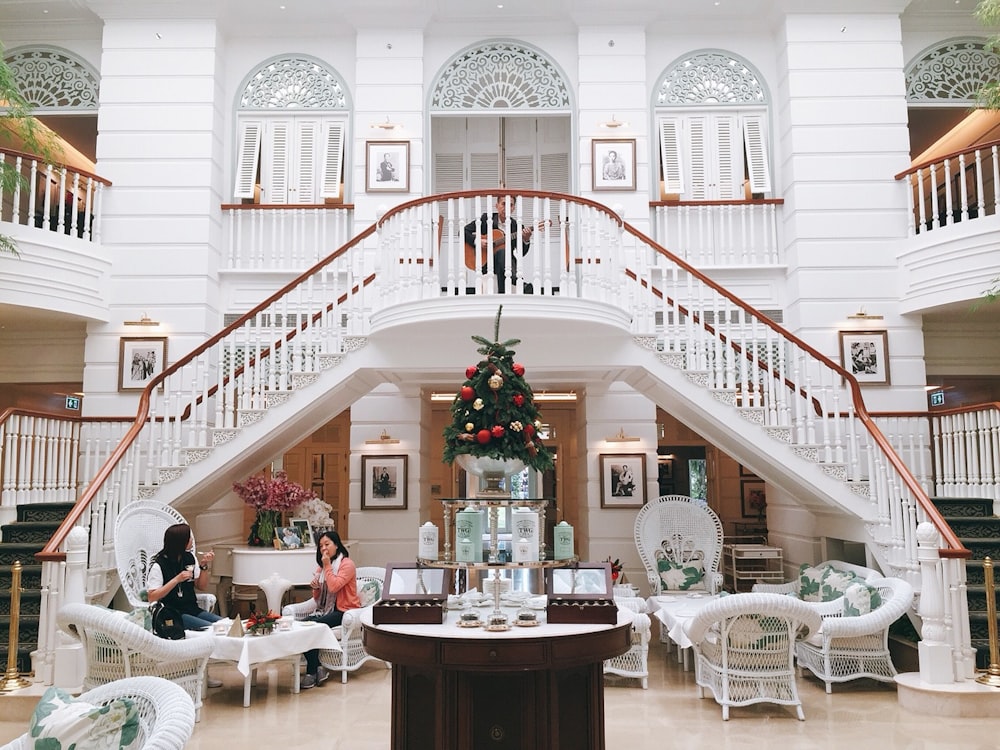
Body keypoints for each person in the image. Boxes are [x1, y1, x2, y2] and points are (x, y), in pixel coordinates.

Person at [145, 523, 223, 686]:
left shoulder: (189, 558)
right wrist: (176, 580)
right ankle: (201, 675)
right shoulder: (159, 565)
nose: (192, 540)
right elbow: (152, 596)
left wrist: (203, 566)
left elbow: (201, 586)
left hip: (192, 609)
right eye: (189, 538)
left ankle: (203, 672)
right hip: (174, 615)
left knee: (223, 624)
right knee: (210, 630)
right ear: (181, 541)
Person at [300, 530, 361, 689]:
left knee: (311, 624)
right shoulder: (322, 567)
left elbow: (334, 587)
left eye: (327, 544)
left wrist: (326, 565)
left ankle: (311, 672)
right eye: (321, 546)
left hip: (345, 611)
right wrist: (315, 587)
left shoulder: (347, 564)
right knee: (304, 625)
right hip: (326, 610)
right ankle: (318, 668)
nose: (323, 549)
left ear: (336, 545)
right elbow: (317, 598)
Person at [463, 195, 535, 293]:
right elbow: (463, 231)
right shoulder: (486, 219)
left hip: (508, 264)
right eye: (503, 204)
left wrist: (526, 239)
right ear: (496, 205)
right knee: (502, 252)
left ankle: (503, 293)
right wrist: (478, 241)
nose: (507, 208)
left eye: (511, 205)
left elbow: (521, 252)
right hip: (487, 263)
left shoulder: (517, 226)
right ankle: (518, 283)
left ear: (513, 208)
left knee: (503, 252)